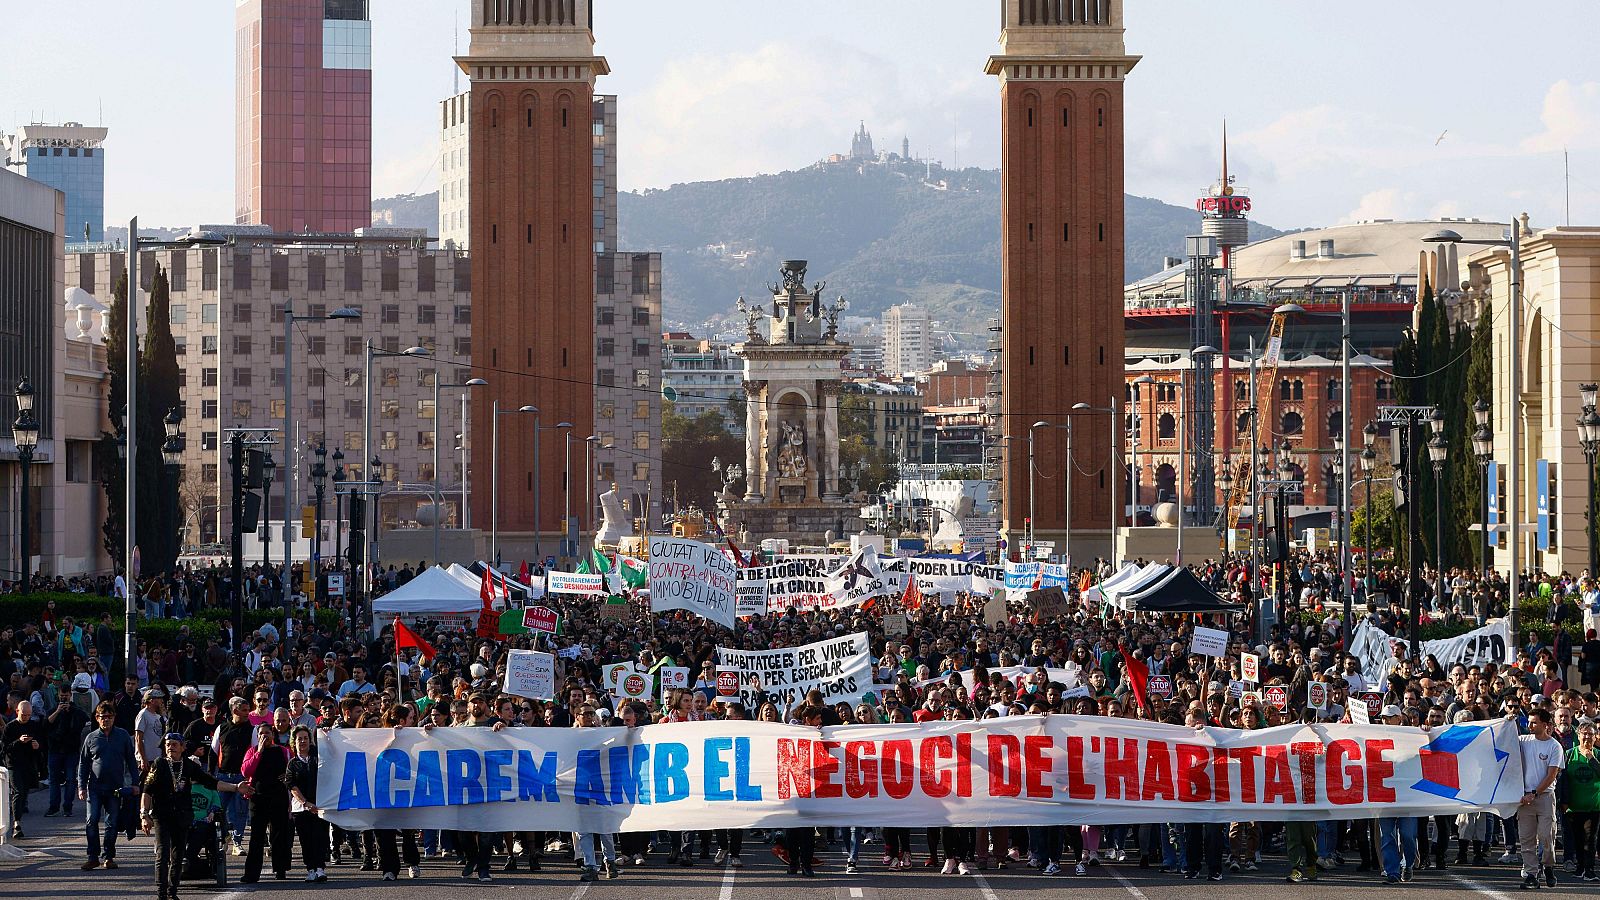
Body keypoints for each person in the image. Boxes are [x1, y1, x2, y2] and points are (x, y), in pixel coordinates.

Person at [140, 732, 250, 900]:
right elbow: (147, 791)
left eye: (175, 744)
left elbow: (212, 782)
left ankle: (172, 892)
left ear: (183, 747)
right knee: (163, 853)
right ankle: (161, 893)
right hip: (162, 815)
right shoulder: (159, 764)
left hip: (183, 816)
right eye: (168, 744)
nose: (171, 747)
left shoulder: (189, 766)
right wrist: (144, 815)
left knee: (178, 855)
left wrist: (235, 787)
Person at [78, 700, 137, 870]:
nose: (106, 720)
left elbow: (131, 761)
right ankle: (92, 856)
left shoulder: (123, 735)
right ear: (97, 718)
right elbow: (83, 763)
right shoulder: (91, 737)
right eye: (103, 717)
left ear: (114, 718)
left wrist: (135, 783)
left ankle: (108, 857)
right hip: (95, 788)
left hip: (115, 788)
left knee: (112, 823)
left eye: (109, 717)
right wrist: (81, 786)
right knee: (92, 820)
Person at [240, 722, 293, 882]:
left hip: (278, 797)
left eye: (267, 733)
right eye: (261, 734)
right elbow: (245, 770)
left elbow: (292, 769)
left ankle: (281, 869)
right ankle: (251, 873)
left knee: (279, 835)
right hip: (258, 798)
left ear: (273, 734)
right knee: (256, 836)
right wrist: (259, 752)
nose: (265, 736)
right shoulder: (252, 751)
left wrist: (287, 776)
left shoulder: (283, 751)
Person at [1518, 707, 1564, 889]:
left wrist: (1534, 793)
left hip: (1544, 797)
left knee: (1546, 837)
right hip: (1523, 798)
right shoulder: (1523, 741)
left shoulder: (1554, 746)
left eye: (1534, 722)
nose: (1529, 725)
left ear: (1545, 725)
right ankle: (1531, 874)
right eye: (1529, 721)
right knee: (1526, 839)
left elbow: (1551, 775)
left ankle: (1549, 867)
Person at [284, 724, 328, 883]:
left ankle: (320, 869)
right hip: (301, 809)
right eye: (299, 739)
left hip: (320, 806)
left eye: (305, 738)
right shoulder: (292, 763)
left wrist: (327, 733)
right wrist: (306, 803)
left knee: (320, 838)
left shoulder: (318, 758)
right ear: (294, 742)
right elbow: (292, 785)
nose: (302, 741)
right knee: (306, 840)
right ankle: (310, 869)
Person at [1565, 721, 1600, 881]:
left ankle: (1590, 869)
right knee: (1578, 839)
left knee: (1590, 838)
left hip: (1594, 806)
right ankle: (1580, 867)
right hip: (1573, 806)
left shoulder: (1598, 754)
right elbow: (1562, 779)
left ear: (1595, 737)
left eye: (1590, 734)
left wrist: (1592, 759)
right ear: (1578, 736)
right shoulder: (1569, 754)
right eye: (1584, 733)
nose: (1587, 737)